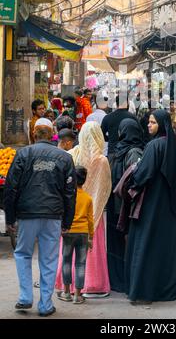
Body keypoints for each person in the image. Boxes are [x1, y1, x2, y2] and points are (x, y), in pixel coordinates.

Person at [4, 118, 76, 317]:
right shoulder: (64, 157)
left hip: (27, 214)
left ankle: (26, 296)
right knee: (49, 259)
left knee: (23, 254)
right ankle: (45, 304)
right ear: (52, 134)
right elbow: (70, 193)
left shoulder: (23, 154)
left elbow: (11, 188)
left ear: (34, 134)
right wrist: (67, 221)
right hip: (53, 215)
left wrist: (10, 218)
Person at [125, 110, 176, 303]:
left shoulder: (154, 146)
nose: (149, 125)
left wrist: (133, 172)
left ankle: (143, 291)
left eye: (153, 122)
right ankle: (165, 289)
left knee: (145, 245)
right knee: (164, 248)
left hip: (150, 205)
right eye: (149, 122)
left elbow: (143, 175)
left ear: (161, 124)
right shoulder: (171, 145)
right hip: (167, 207)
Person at [55, 121, 111, 297]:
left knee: (67, 253)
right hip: (92, 211)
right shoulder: (101, 160)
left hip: (72, 211)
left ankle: (66, 286)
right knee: (90, 248)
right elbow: (102, 190)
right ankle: (92, 284)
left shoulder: (73, 153)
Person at [107, 119, 144, 293]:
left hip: (119, 205)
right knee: (123, 242)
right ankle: (123, 280)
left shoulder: (121, 151)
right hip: (124, 205)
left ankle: (121, 280)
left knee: (121, 242)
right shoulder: (135, 151)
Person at [58, 166, 94, 305]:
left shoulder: (66, 196)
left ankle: (66, 292)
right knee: (80, 264)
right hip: (83, 233)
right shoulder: (88, 198)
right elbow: (90, 220)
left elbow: (62, 213)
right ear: (84, 181)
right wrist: (91, 236)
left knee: (66, 261)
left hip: (69, 232)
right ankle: (78, 295)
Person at [101, 95, 137, 160]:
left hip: (113, 151)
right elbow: (138, 133)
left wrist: (110, 138)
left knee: (112, 169)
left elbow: (101, 134)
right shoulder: (132, 117)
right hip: (128, 152)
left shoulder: (108, 117)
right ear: (126, 103)